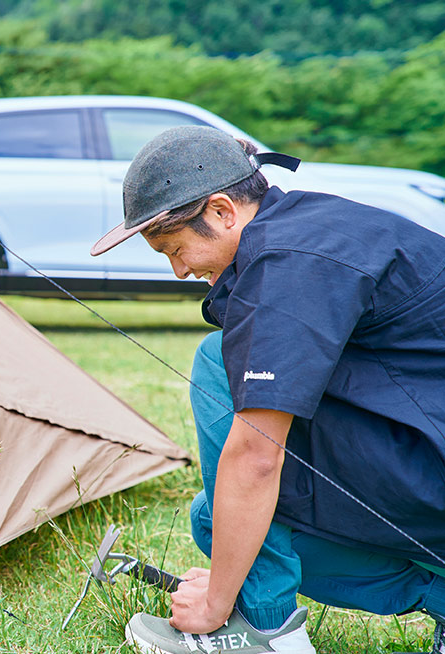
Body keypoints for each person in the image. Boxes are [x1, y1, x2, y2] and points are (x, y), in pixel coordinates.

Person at [90, 125, 445, 654]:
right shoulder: (311, 228)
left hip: (429, 465)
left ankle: (265, 631)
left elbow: (257, 456)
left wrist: (216, 602)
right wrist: (225, 574)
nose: (179, 270)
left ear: (221, 211)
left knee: (217, 364)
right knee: (216, 519)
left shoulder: (290, 264)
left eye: (175, 248)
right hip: (423, 448)